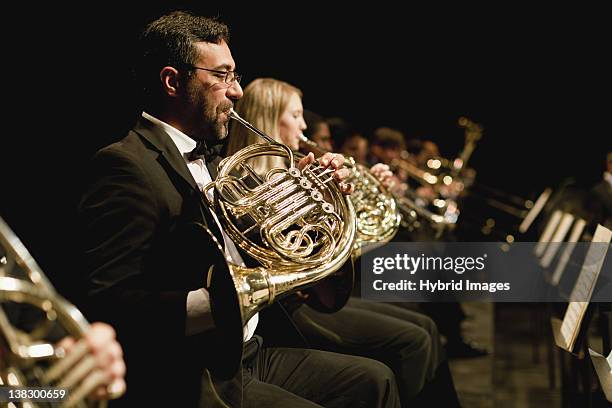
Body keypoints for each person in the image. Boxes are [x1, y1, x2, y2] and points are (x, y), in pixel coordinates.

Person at [78, 11, 399, 408]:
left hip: (251, 350)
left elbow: (260, 244)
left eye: (235, 75)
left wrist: (312, 204)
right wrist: (223, 303)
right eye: (222, 76)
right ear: (172, 81)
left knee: (376, 381)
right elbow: (109, 302)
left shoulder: (216, 160)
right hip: (193, 371)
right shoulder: (126, 165)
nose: (237, 92)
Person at [226, 78, 461, 406]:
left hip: (319, 293)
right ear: (268, 117)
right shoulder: (243, 179)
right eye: (295, 115)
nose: (304, 124)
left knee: (425, 327)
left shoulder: (294, 167)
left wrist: (363, 196)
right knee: (414, 339)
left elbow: (343, 239)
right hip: (293, 308)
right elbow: (298, 254)